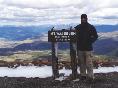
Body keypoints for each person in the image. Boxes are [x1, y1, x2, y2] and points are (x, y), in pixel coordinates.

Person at [75, 14, 98, 80]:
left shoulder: (91, 27)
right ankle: (83, 75)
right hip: (80, 49)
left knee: (89, 63)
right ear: (81, 19)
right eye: (82, 18)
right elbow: (72, 35)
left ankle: (90, 76)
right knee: (81, 63)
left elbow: (95, 36)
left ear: (87, 18)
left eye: (84, 18)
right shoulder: (77, 27)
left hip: (88, 49)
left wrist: (90, 41)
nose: (83, 19)